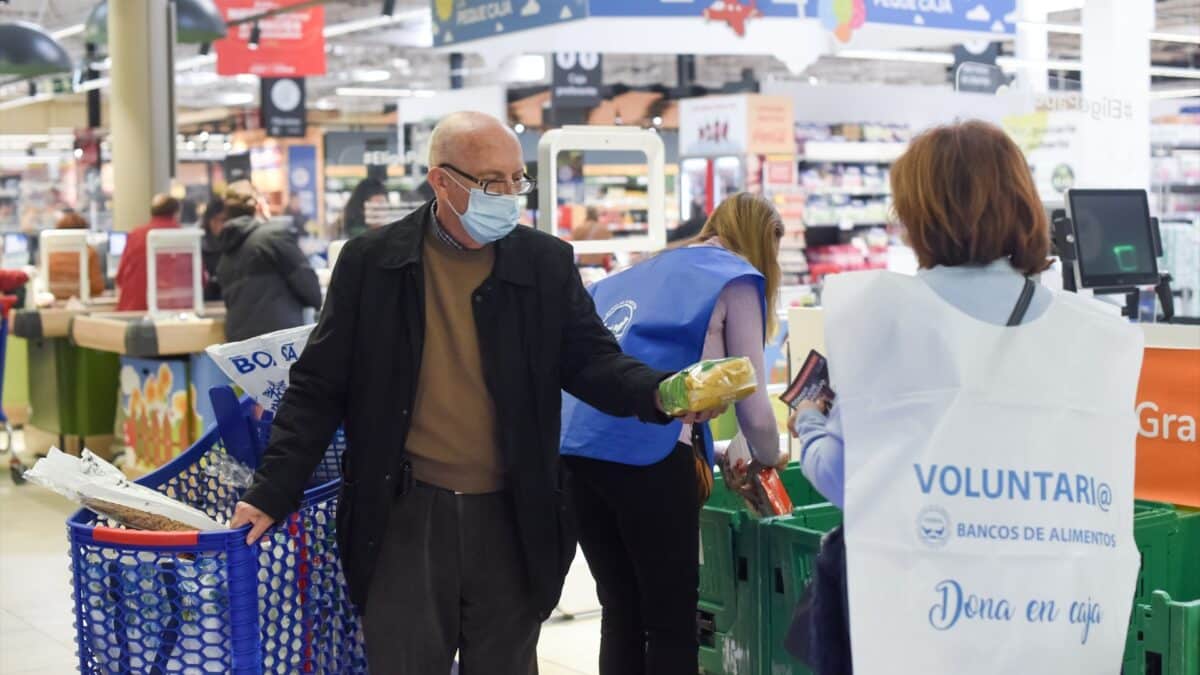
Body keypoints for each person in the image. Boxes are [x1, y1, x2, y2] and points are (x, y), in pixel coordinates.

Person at [229, 111, 725, 675]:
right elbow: (319, 387)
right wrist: (272, 491)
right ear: (442, 181)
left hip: (514, 515)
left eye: (518, 179)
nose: (511, 195)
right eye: (493, 182)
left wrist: (661, 394)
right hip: (403, 518)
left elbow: (592, 361)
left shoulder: (544, 263)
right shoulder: (374, 264)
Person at [786, 120, 1143, 674]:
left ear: (917, 212)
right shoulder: (1096, 336)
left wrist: (809, 422)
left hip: (914, 610)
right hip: (1050, 612)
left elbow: (843, 477)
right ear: (1021, 202)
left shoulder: (883, 317)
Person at [559, 192, 788, 675]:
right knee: (670, 620)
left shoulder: (635, 272)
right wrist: (769, 456)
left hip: (578, 454)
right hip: (650, 458)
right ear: (764, 241)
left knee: (620, 610)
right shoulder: (736, 278)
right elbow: (756, 411)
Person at [216, 181, 321, 341]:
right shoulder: (273, 237)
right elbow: (311, 290)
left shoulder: (226, 253)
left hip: (240, 347)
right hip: (279, 345)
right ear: (259, 205)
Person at [116, 194, 186, 311]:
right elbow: (198, 280)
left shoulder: (136, 235)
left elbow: (121, 276)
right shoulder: (185, 238)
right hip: (175, 310)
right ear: (176, 213)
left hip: (134, 308)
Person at [47, 211, 104, 301]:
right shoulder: (89, 252)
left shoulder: (49, 253)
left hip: (54, 304)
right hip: (83, 305)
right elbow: (97, 287)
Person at [200, 196, 225, 301]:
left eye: (222, 220)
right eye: (214, 219)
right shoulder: (200, 244)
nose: (217, 224)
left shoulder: (235, 243)